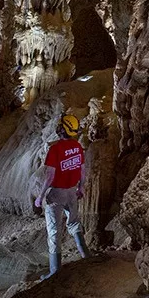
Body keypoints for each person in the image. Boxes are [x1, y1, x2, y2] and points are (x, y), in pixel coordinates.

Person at [34, 110, 89, 277]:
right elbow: (82, 170)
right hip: (72, 191)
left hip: (57, 194)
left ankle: (54, 271)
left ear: (62, 130)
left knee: (54, 231)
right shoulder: (78, 147)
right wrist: (81, 187)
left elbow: (50, 175)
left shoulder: (55, 150)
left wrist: (41, 196)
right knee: (74, 223)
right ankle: (86, 256)